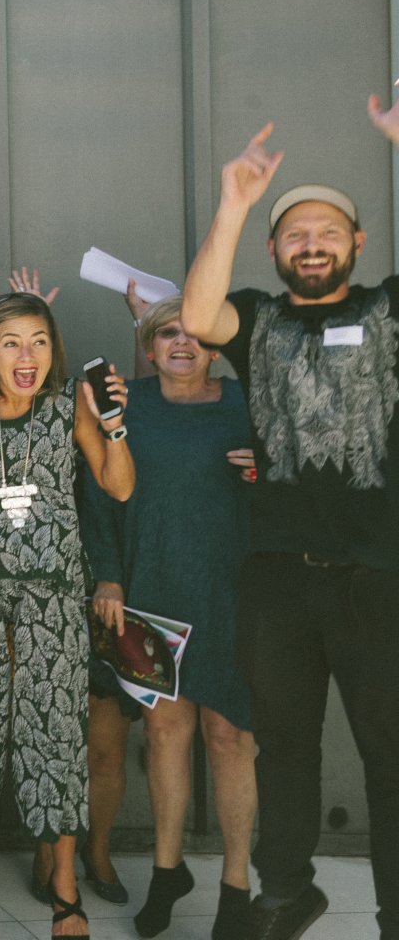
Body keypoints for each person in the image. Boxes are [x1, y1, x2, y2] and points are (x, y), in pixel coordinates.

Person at [181, 103, 399, 940]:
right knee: (287, 749)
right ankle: (285, 893)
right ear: (275, 251)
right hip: (278, 575)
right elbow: (198, 319)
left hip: (379, 576)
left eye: (328, 231)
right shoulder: (257, 319)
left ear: (357, 243)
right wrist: (235, 203)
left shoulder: (387, 311)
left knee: (390, 762)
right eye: (295, 233)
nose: (312, 244)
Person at [0, 290, 133, 940]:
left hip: (53, 592)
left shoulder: (69, 405)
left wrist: (116, 426)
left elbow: (117, 484)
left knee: (55, 733)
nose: (27, 355)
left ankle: (65, 885)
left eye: (39, 341)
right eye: (10, 341)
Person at [81, 293, 257, 940]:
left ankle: (236, 887)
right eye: (166, 334)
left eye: (195, 334)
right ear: (148, 346)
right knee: (163, 735)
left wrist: (264, 477)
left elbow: (293, 483)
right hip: (148, 594)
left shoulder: (245, 404)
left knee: (230, 738)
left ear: (215, 345)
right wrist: (107, 572)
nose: (182, 344)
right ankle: (167, 871)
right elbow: (99, 494)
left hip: (234, 596)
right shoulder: (127, 406)